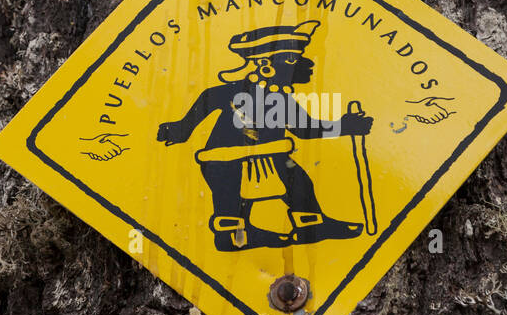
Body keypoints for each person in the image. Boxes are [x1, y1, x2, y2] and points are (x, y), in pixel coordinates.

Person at [157, 20, 373, 251]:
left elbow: (307, 129)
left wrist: (345, 126)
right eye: (292, 59)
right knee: (230, 195)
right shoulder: (227, 92)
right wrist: (177, 130)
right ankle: (231, 234)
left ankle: (310, 226)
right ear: (265, 65)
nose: (306, 63)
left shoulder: (282, 99)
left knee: (299, 183)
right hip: (225, 160)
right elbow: (200, 109)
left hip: (273, 158)